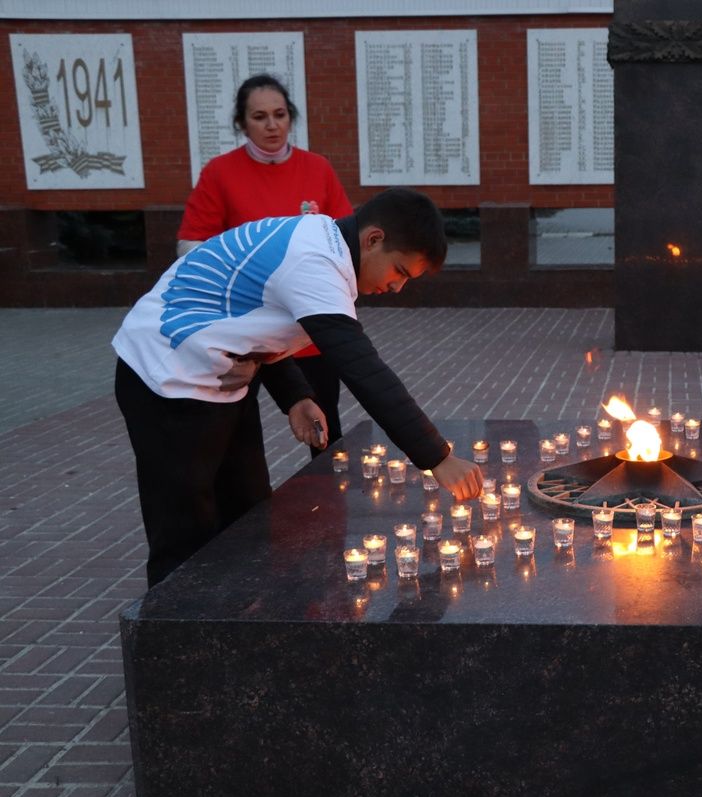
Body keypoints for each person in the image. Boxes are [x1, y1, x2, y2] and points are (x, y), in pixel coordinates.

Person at [115, 187, 483, 588]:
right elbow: (362, 368)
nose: (397, 288)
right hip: (165, 379)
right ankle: (175, 636)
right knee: (185, 528)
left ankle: (238, 616)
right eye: (400, 272)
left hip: (218, 380)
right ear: (374, 239)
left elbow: (253, 310)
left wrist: (297, 396)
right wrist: (437, 457)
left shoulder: (320, 241)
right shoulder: (315, 261)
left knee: (248, 513)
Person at [178, 74, 354, 454]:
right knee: (233, 436)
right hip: (244, 334)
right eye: (259, 117)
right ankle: (248, 508)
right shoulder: (220, 173)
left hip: (308, 330)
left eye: (279, 114)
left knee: (324, 429)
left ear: (291, 117)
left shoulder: (318, 168)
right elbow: (192, 247)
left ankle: (332, 502)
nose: (272, 125)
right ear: (242, 123)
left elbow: (345, 242)